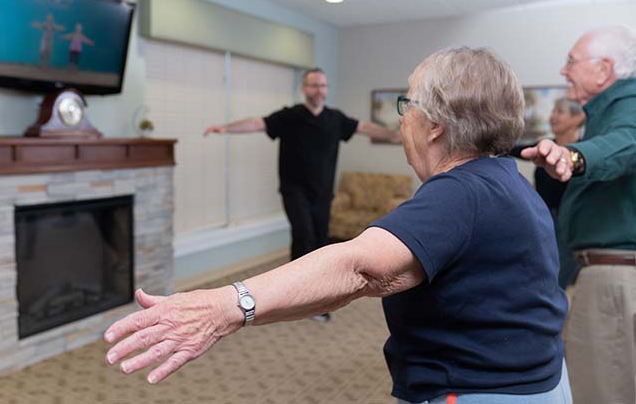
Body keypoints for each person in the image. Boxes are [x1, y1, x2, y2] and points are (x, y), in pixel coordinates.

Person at [105, 47, 571, 404]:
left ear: (434, 125)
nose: (402, 118)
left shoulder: (461, 192)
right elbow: (371, 278)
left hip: (485, 390)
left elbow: (361, 268)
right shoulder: (503, 180)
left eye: (406, 104)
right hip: (530, 381)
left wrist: (224, 306)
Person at [204, 68, 400, 322]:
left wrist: (396, 134)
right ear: (304, 89)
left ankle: (317, 298)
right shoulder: (290, 116)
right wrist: (225, 128)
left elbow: (366, 127)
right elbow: (257, 123)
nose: (319, 90)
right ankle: (297, 297)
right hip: (294, 190)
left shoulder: (335, 119)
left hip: (323, 193)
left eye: (323, 85)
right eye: (314, 85)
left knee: (320, 241)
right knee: (303, 237)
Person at [521, 25, 636, 404]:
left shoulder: (629, 103)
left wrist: (573, 156)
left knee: (600, 391)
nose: (563, 70)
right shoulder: (604, 111)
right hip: (606, 274)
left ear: (604, 70)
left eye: (571, 61)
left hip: (617, 280)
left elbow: (626, 142)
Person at [511, 97, 585, 288]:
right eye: (553, 111)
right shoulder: (543, 147)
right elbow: (516, 151)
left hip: (570, 223)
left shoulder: (582, 154)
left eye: (560, 112)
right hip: (543, 219)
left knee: (559, 276)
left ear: (578, 118)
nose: (553, 116)